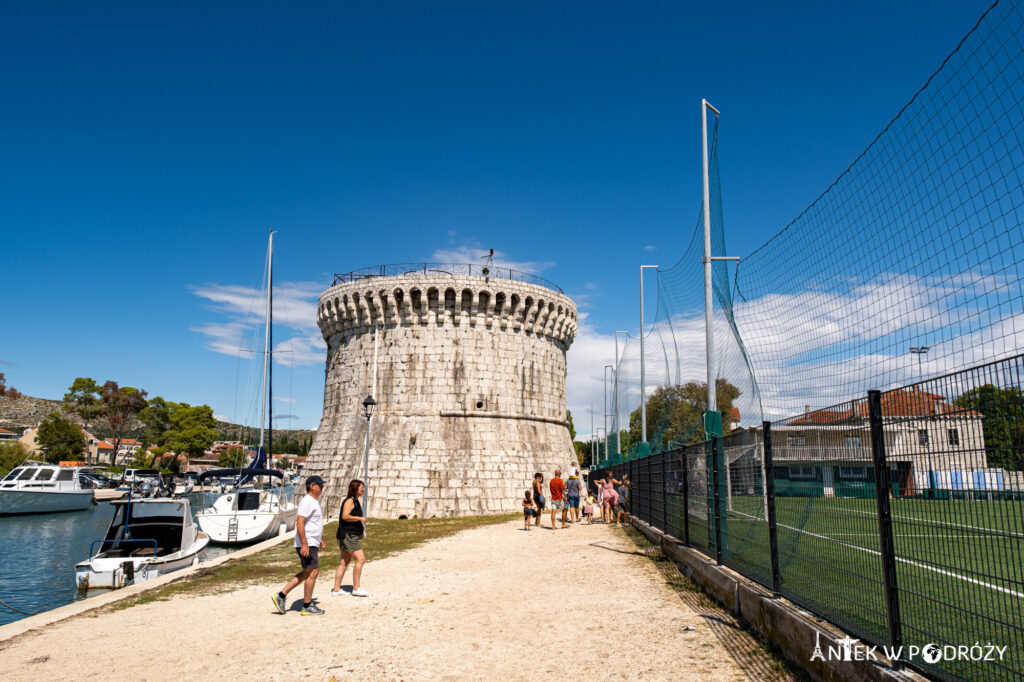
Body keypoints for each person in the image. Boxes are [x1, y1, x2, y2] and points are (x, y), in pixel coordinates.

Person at [273, 475, 326, 616]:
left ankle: (282, 595)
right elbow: (300, 522)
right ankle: (307, 606)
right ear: (312, 486)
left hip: (312, 542)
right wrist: (304, 544)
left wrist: (320, 539)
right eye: (320, 485)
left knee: (307, 572)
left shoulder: (313, 501)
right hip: (307, 542)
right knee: (313, 572)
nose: (322, 487)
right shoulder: (307, 501)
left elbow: (313, 523)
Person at [331, 479, 369, 597]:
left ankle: (336, 589)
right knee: (360, 559)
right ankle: (356, 588)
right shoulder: (349, 501)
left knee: (345, 561)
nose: (363, 489)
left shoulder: (355, 501)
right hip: (348, 535)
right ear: (355, 489)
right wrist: (360, 519)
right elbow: (345, 516)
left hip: (347, 535)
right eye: (361, 487)